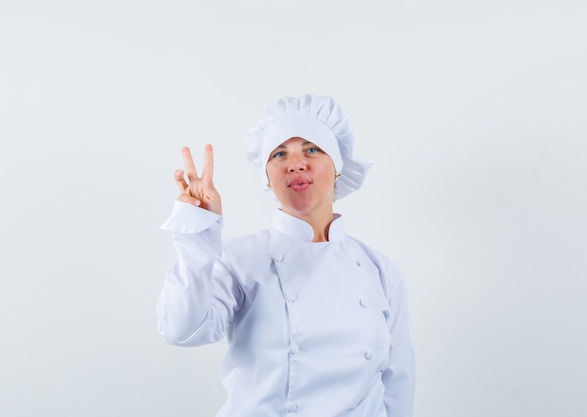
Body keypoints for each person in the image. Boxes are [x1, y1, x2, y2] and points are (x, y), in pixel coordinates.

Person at [158, 94, 415, 416]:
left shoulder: (381, 269)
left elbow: (399, 380)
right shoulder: (238, 259)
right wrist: (198, 234)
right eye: (280, 154)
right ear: (267, 175)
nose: (296, 163)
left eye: (312, 149)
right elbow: (181, 330)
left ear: (337, 167)